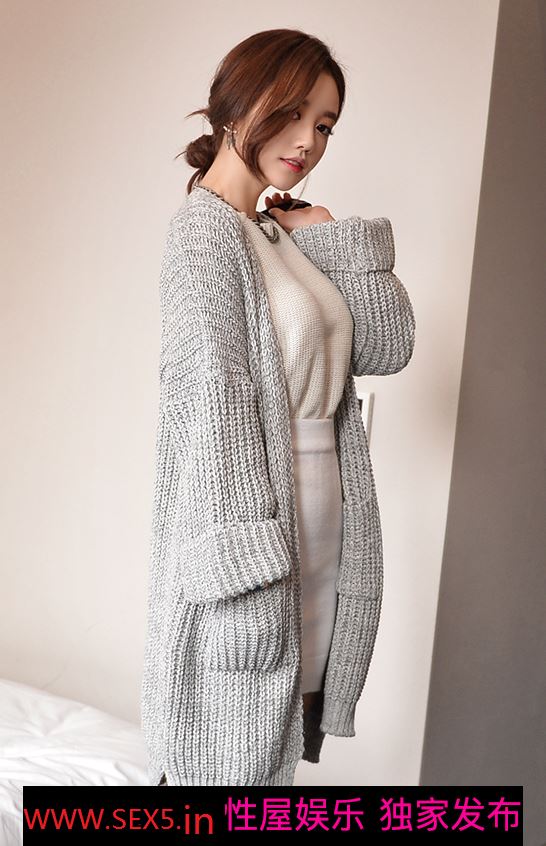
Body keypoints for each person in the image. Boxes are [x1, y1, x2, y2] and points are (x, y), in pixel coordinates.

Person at [142, 28, 416, 787]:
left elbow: (387, 347)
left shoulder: (276, 232)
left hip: (319, 517)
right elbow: (215, 404)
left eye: (325, 125)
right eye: (292, 113)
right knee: (226, 758)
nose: (307, 141)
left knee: (273, 759)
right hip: (258, 534)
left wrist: (329, 236)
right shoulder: (203, 236)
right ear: (236, 105)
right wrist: (248, 579)